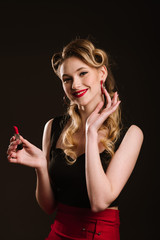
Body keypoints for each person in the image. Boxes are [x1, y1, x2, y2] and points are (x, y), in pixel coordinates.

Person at [7, 38, 144, 240]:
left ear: (102, 73)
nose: (75, 84)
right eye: (67, 79)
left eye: (82, 73)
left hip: (99, 233)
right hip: (59, 231)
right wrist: (41, 167)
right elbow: (48, 207)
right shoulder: (52, 127)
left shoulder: (131, 134)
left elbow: (99, 202)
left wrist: (91, 132)